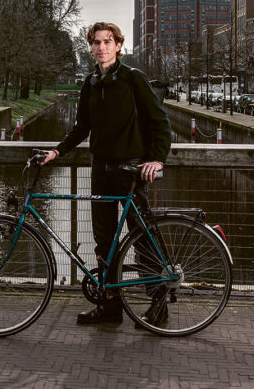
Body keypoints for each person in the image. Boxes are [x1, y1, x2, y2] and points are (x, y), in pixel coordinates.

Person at [39, 21, 172, 325]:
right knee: (105, 240)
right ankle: (110, 306)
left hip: (130, 169)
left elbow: (159, 121)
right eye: (96, 43)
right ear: (91, 47)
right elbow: (81, 127)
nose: (101, 47)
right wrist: (57, 151)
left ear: (118, 46)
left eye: (107, 42)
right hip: (100, 168)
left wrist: (157, 160)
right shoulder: (90, 83)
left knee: (141, 237)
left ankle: (159, 301)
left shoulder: (133, 79)